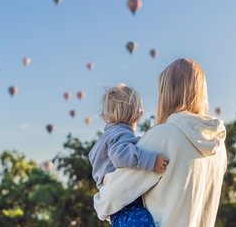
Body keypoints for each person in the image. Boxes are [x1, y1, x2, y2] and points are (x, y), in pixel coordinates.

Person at [94, 58, 227, 227]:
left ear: (167, 93)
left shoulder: (164, 136)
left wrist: (100, 203)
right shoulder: (218, 146)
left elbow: (112, 195)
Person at [89, 83, 170, 227]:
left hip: (117, 206)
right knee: (144, 222)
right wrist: (151, 160)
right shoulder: (120, 134)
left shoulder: (105, 138)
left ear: (104, 116)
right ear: (138, 115)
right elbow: (120, 155)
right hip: (126, 204)